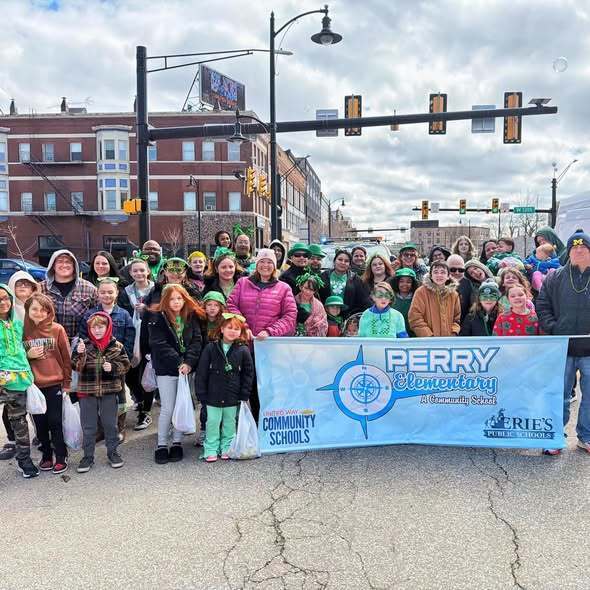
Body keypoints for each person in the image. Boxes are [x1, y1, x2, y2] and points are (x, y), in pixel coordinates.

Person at [227, 249, 297, 420]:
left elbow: (290, 316)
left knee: (268, 388)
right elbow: (231, 305)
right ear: (256, 264)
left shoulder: (283, 288)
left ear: (275, 266)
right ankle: (251, 424)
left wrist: (270, 331)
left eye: (269, 262)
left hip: (269, 348)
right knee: (247, 387)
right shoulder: (243, 283)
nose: (265, 265)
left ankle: (268, 423)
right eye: (262, 262)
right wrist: (243, 326)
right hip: (245, 346)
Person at [537, 229, 590, 455]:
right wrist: (553, 328)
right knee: (560, 394)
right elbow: (542, 304)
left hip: (589, 350)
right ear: (568, 252)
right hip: (563, 348)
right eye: (574, 247)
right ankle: (556, 435)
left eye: (583, 247)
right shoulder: (555, 276)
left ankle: (586, 436)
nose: (578, 250)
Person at [148, 285, 203, 465]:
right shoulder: (157, 318)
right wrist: (179, 362)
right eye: (172, 299)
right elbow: (159, 344)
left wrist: (188, 363)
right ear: (165, 301)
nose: (176, 302)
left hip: (185, 370)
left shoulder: (190, 316)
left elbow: (196, 341)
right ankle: (162, 444)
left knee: (182, 405)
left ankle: (177, 442)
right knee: (168, 408)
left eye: (179, 298)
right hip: (167, 369)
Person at [72, 312, 130, 472]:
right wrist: (81, 354)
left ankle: (113, 453)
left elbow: (126, 365)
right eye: (93, 327)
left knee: (110, 424)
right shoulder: (83, 345)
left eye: (100, 327)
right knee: (89, 426)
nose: (97, 330)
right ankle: (88, 456)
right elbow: (75, 366)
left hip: (109, 392)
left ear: (108, 327)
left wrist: (113, 367)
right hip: (87, 392)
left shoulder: (117, 346)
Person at [79, 277, 135, 442]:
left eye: (110, 292)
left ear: (116, 293)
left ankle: (119, 427)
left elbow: (130, 338)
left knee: (119, 395)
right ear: (97, 293)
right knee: (97, 396)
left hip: (116, 364)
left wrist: (125, 361)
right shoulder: (90, 314)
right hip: (94, 365)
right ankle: (100, 429)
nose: (106, 295)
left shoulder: (124, 315)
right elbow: (83, 336)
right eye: (103, 292)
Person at [23, 294, 71, 474]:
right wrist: (28, 355)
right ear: (27, 310)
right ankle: (46, 455)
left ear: (49, 311)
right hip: (33, 386)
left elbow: (66, 358)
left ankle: (61, 455)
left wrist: (67, 383)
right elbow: (17, 359)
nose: (39, 313)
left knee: (55, 421)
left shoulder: (57, 329)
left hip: (54, 383)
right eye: (34, 309)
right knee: (40, 423)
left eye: (44, 309)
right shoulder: (22, 331)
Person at [196, 313, 254, 462]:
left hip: (232, 394)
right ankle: (210, 449)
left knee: (229, 423)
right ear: (221, 329)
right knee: (213, 422)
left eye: (236, 329)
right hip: (213, 393)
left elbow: (248, 374)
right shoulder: (211, 348)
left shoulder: (243, 350)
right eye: (229, 327)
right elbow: (202, 372)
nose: (232, 331)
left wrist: (244, 393)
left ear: (240, 332)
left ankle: (227, 447)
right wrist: (201, 393)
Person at [0, 284, 38, 478]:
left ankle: (24, 461)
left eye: (6, 298)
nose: (3, 303)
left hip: (17, 382)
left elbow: (22, 349)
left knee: (20, 423)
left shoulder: (17, 323)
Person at [117, 258, 154, 431]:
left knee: (147, 374)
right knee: (131, 374)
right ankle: (139, 399)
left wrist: (147, 310)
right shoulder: (125, 292)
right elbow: (123, 312)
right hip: (131, 336)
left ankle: (145, 412)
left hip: (150, 337)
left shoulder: (155, 289)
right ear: (131, 273)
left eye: (142, 270)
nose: (139, 273)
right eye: (135, 271)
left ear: (148, 271)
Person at [40, 249, 97, 341]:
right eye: (60, 261)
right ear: (53, 266)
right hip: (50, 343)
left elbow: (99, 316)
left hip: (81, 344)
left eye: (68, 262)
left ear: (74, 266)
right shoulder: (40, 289)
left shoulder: (89, 289)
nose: (64, 265)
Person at [409, 261, 461, 337]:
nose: (439, 275)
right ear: (431, 276)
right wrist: (429, 336)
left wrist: (453, 333)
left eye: (443, 272)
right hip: (428, 342)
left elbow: (457, 319)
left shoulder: (454, 295)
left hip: (448, 342)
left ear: (448, 276)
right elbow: (415, 318)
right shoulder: (421, 292)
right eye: (435, 272)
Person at [319, 249, 371, 318]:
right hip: (325, 317)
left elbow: (363, 301)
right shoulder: (323, 276)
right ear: (334, 261)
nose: (343, 263)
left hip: (348, 319)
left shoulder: (356, 279)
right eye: (340, 259)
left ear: (349, 264)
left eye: (346, 261)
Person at [391, 268, 419, 337]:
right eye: (401, 281)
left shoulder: (417, 299)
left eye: (408, 282)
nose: (405, 284)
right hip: (394, 339)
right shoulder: (390, 299)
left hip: (414, 338)